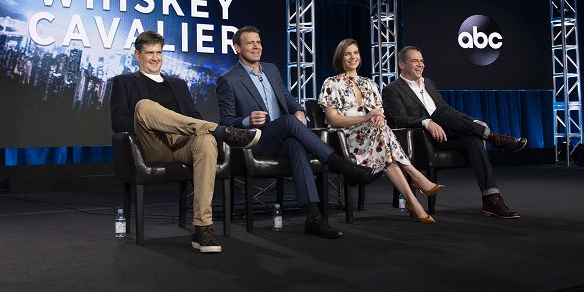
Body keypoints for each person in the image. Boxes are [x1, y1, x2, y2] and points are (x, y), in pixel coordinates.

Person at [216, 26, 384, 239]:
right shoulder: (228, 79)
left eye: (258, 42)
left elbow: (287, 98)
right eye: (250, 43)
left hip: (285, 136)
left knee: (296, 145)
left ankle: (314, 218)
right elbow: (225, 122)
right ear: (237, 48)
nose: (256, 47)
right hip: (257, 141)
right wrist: (247, 120)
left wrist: (298, 110)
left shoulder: (271, 69)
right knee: (288, 122)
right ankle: (344, 167)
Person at [110, 31, 262, 253]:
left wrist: (194, 128)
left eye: (159, 53)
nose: (155, 58)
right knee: (144, 106)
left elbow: (194, 119)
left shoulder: (178, 83)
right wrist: (155, 122)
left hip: (182, 144)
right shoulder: (123, 82)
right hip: (151, 145)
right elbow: (118, 122)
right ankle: (224, 132)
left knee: (207, 142)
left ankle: (202, 228)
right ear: (137, 55)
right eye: (149, 53)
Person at [382, 45, 527, 219]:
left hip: (445, 134)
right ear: (402, 64)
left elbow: (445, 108)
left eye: (422, 61)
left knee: (472, 139)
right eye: (415, 61)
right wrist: (427, 122)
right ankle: (493, 137)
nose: (420, 65)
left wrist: (472, 121)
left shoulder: (428, 82)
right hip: (421, 141)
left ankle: (491, 199)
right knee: (440, 113)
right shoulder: (392, 89)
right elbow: (400, 119)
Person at [319, 39, 440, 223]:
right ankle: (416, 178)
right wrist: (367, 118)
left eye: (356, 53)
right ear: (340, 57)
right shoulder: (332, 83)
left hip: (373, 137)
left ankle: (413, 201)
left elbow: (378, 112)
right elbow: (333, 119)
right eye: (347, 53)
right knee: (383, 136)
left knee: (384, 139)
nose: (353, 57)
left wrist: (376, 118)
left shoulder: (369, 83)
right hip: (345, 138)